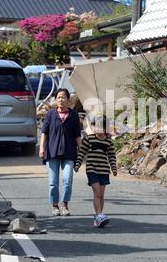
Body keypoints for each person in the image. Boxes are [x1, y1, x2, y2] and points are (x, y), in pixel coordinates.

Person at [39, 88, 81, 216]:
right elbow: (44, 133)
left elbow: (77, 135)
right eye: (58, 97)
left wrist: (82, 150)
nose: (61, 100)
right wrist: (42, 148)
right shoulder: (50, 114)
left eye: (63, 97)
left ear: (68, 99)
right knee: (53, 182)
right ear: (55, 100)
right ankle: (55, 205)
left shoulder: (73, 115)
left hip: (69, 152)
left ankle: (64, 204)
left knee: (67, 180)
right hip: (52, 151)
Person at [74, 115, 117, 228]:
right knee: (97, 192)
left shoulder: (108, 142)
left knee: (101, 195)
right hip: (92, 169)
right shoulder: (89, 138)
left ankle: (99, 216)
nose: (98, 130)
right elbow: (82, 152)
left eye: (101, 127)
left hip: (104, 170)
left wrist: (114, 168)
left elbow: (112, 156)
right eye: (96, 127)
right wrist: (77, 165)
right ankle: (99, 215)